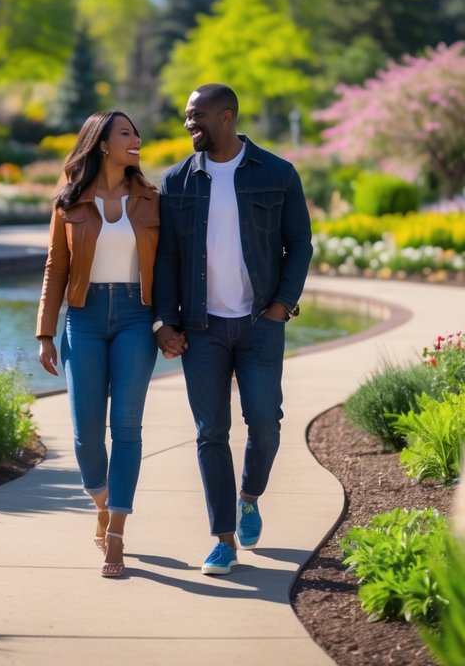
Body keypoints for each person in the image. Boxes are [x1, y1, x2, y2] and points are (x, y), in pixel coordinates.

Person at [153, 83, 312, 576]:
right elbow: (166, 259)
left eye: (195, 116)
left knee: (264, 423)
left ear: (226, 116)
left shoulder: (278, 173)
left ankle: (250, 496)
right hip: (201, 329)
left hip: (260, 323)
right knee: (210, 433)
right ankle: (223, 538)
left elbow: (300, 244)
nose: (188, 125)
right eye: (185, 116)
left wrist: (283, 305)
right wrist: (164, 321)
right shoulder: (177, 181)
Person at [36, 110, 161, 578]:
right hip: (83, 319)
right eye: (127, 133)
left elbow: (167, 265)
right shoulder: (69, 201)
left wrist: (169, 323)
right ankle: (102, 501)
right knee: (86, 434)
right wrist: (45, 332)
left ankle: (117, 535)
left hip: (135, 316)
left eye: (136, 132)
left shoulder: (151, 200)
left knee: (126, 428)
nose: (138, 140)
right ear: (102, 144)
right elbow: (56, 267)